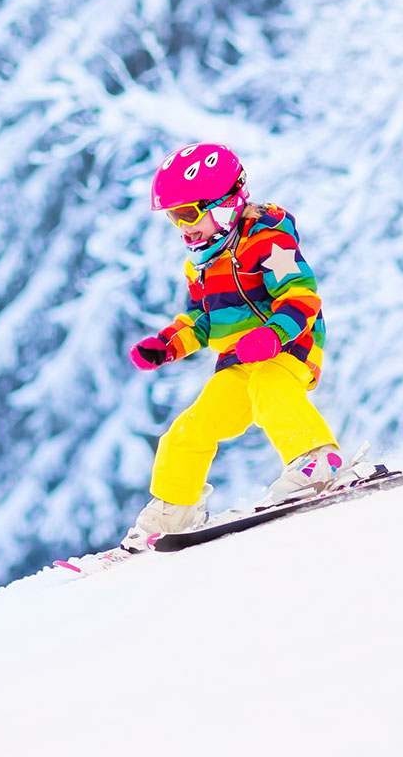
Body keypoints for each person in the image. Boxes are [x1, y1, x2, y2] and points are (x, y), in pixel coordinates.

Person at [122, 142, 347, 552]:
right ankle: (177, 506)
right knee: (190, 429)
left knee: (270, 388)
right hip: (238, 359)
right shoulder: (201, 263)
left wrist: (273, 335)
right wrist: (168, 345)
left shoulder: (268, 241)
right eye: (174, 216)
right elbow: (204, 320)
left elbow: (301, 296)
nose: (182, 227)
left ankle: (318, 460)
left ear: (224, 205)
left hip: (290, 345)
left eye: (188, 213)